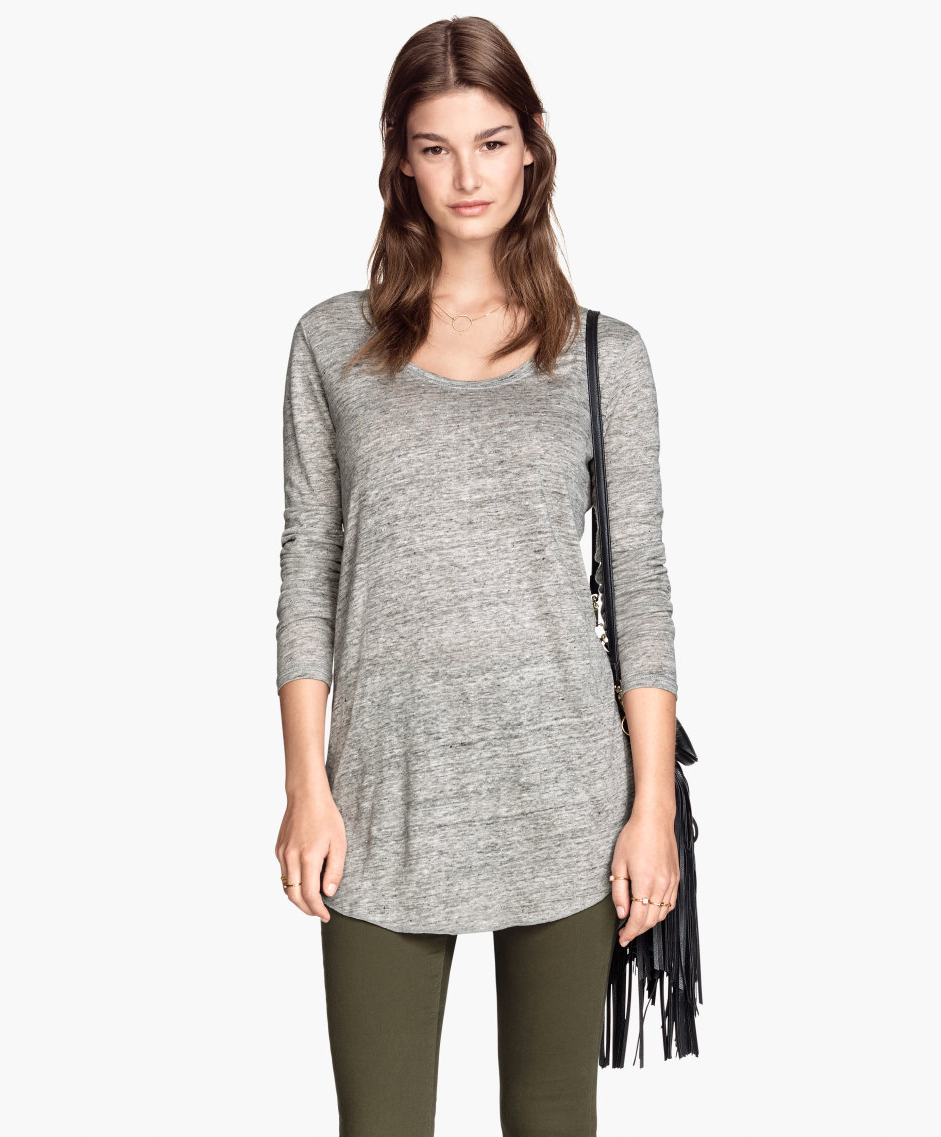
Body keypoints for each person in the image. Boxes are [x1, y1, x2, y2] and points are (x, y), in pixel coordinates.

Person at [273, 16, 681, 1137]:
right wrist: (306, 783)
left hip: (565, 792)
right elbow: (310, 563)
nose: (467, 175)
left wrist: (651, 808)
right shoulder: (331, 343)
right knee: (381, 1123)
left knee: (552, 1117)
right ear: (400, 158)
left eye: (491, 143)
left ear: (533, 144)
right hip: (382, 792)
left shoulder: (604, 355)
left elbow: (640, 584)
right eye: (436, 146)